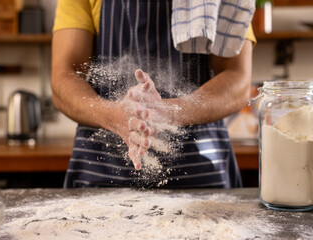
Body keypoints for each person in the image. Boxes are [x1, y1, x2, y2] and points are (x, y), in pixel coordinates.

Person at [51, 0, 256, 188]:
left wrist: (168, 112)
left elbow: (237, 77)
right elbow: (64, 76)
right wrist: (115, 116)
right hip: (100, 173)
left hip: (201, 174)